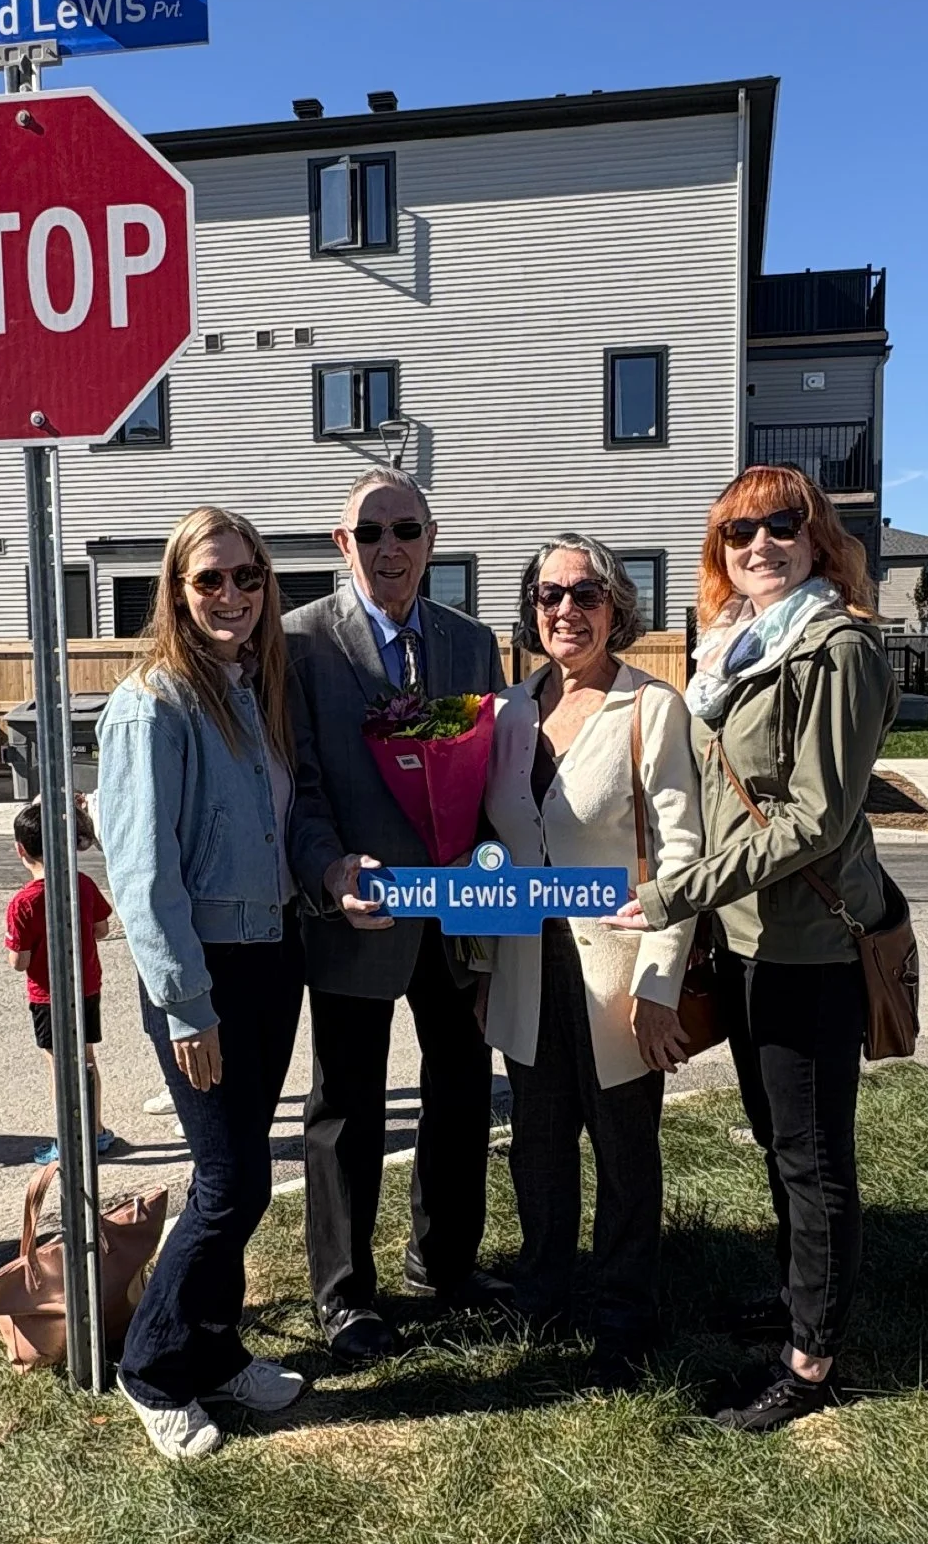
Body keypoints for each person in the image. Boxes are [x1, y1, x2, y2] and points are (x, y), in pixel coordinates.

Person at [604, 464, 897, 1431]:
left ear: (818, 539)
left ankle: (812, 1363)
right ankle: (795, 1298)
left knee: (813, 1155)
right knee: (779, 1140)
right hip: (745, 940)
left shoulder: (836, 648)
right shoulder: (734, 649)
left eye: (780, 524)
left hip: (808, 944)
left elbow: (815, 819)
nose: (758, 545)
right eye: (738, 533)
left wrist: (672, 894)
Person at [97, 507, 313, 1461]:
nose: (232, 596)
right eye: (209, 580)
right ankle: (152, 1368)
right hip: (206, 970)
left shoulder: (253, 689)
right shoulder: (154, 703)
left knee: (242, 1175)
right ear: (176, 593)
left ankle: (216, 1348)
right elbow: (142, 878)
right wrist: (187, 1004)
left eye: (248, 578)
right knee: (231, 1183)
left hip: (273, 956)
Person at [285, 468, 509, 1365]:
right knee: (348, 1105)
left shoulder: (469, 643)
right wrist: (329, 867)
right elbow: (296, 785)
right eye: (369, 531)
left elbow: (492, 777)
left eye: (406, 530)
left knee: (461, 1089)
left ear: (431, 540)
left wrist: (492, 868)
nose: (389, 547)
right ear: (342, 544)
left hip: (454, 915)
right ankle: (344, 1295)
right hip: (358, 912)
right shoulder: (299, 645)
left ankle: (443, 1264)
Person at [479, 534, 702, 1368]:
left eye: (585, 593)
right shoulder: (504, 714)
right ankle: (540, 1294)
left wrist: (660, 984)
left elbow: (682, 858)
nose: (565, 609)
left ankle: (623, 1315)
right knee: (537, 1141)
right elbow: (488, 849)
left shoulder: (653, 708)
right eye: (549, 594)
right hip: (526, 967)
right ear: (531, 608)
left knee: (623, 1146)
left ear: (617, 605)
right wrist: (480, 967)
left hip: (617, 972)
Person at [3, 799, 116, 1165]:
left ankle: (68, 1139)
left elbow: (19, 962)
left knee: (58, 1065)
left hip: (47, 995)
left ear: (21, 850)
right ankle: (96, 1130)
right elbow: (102, 928)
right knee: (86, 1059)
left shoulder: (23, 903)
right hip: (86, 986)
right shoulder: (82, 883)